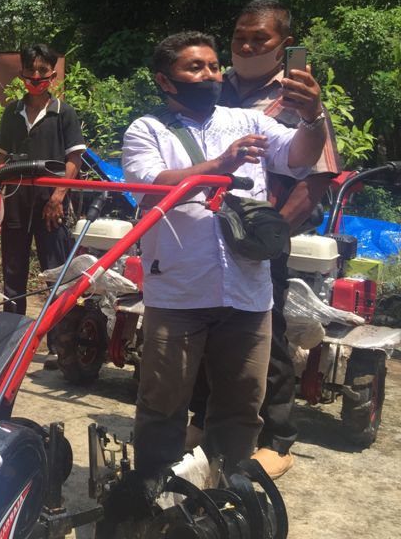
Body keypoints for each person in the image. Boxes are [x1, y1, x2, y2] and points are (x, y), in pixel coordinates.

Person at [121, 30, 326, 478]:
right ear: (165, 80)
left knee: (241, 406)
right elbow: (148, 185)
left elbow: (299, 156)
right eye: (195, 67)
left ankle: (223, 494)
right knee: (163, 404)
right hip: (178, 291)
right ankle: (152, 493)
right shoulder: (147, 129)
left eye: (214, 66)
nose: (210, 75)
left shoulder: (247, 121)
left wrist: (313, 117)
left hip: (247, 292)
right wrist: (219, 166)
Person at [185, 0, 342, 479]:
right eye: (240, 37)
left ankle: (277, 439)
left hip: (261, 237)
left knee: (265, 334)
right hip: (206, 233)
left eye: (260, 38)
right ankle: (203, 422)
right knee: (205, 327)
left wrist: (273, 232)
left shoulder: (299, 96)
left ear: (284, 44)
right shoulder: (213, 85)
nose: (248, 46)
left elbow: (318, 175)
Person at [0, 43, 86, 367]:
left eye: (42, 71)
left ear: (52, 75)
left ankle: (59, 344)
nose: (36, 77)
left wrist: (59, 196)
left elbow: (74, 159)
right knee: (13, 271)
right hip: (16, 199)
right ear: (21, 73)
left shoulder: (64, 113)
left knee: (55, 272)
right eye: (30, 70)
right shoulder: (11, 113)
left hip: (51, 203)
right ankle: (11, 338)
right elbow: (1, 158)